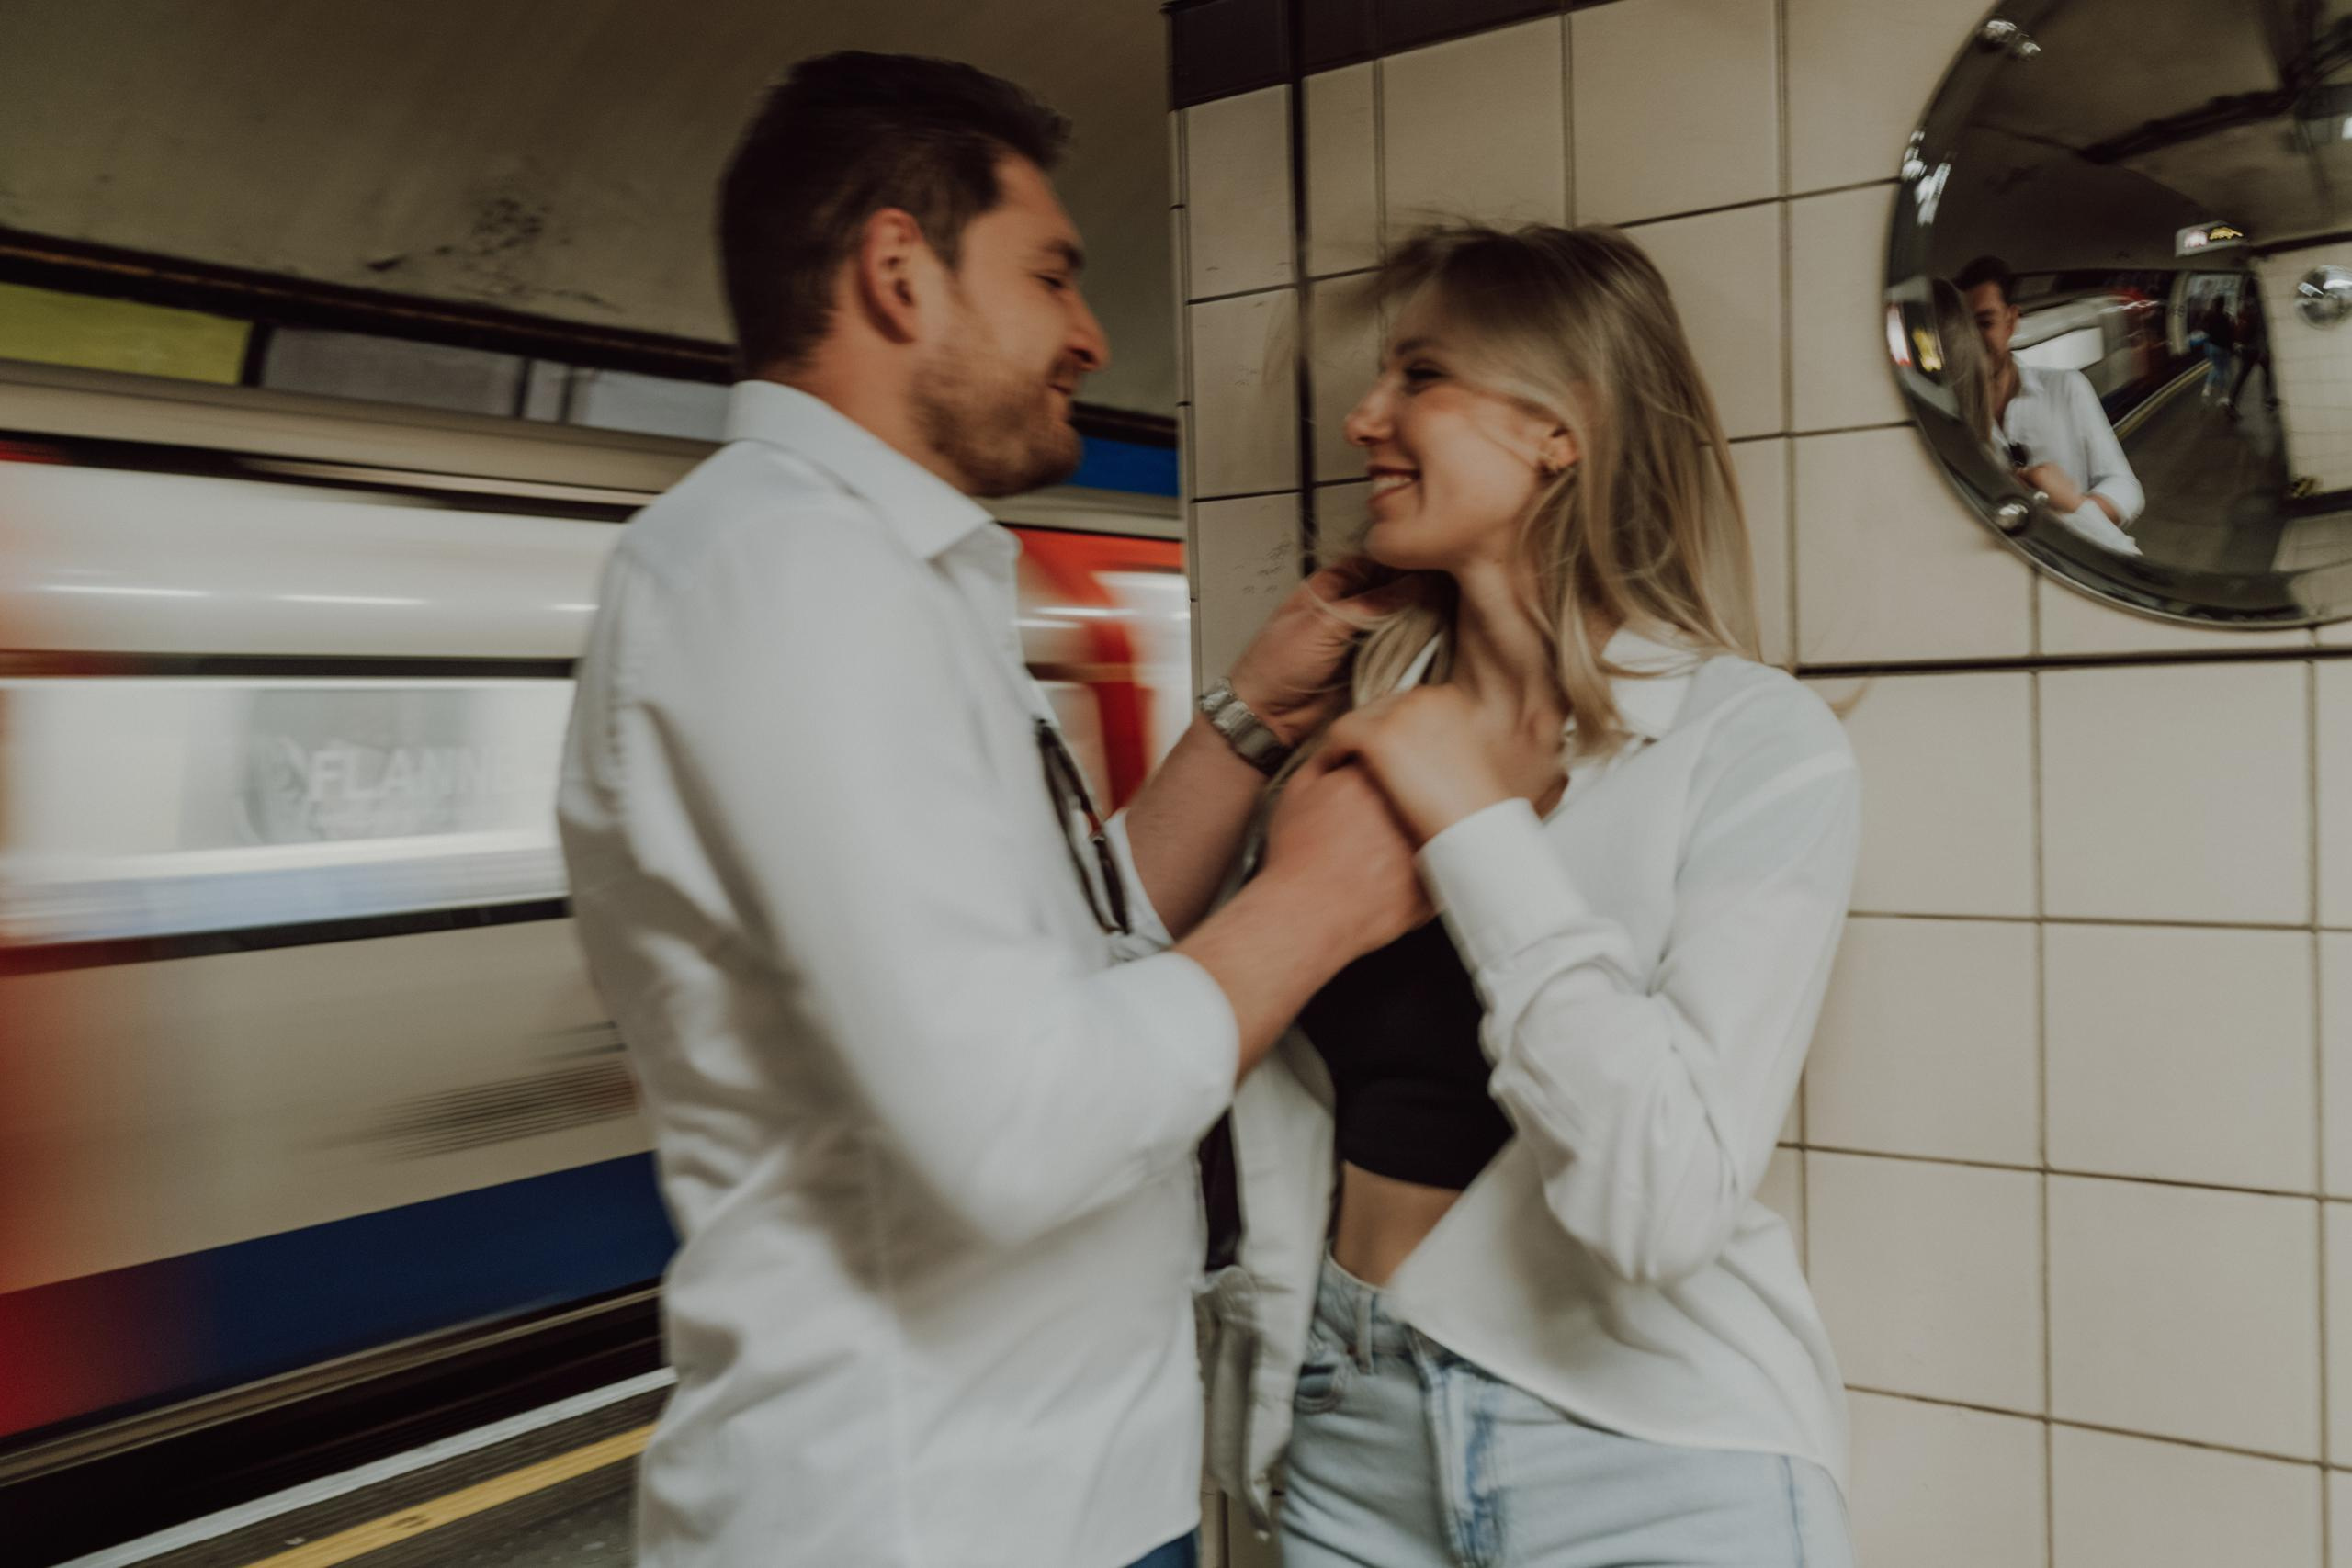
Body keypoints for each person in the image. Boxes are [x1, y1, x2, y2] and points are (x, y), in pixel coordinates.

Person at [557, 52, 1426, 1568]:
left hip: (1038, 1491)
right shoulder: (794, 581)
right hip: (928, 1514)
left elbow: (1064, 960)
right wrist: (1321, 900)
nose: (1091, 334)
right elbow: (1018, 1120)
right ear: (898, 271)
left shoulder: (876, 569)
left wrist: (1245, 724)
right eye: (1053, 276)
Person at [1196, 224, 1862, 1567]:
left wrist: (1477, 825)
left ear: (1560, 428)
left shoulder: (1752, 743)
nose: (1364, 419)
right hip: (1346, 1432)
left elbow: (1662, 1201)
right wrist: (1253, 720)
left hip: (1646, 1453)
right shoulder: (1353, 738)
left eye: (1419, 375)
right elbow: (1168, 1026)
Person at [1932, 275, 2139, 557]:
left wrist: (2072, 508)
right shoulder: (1949, 420)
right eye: (1964, 330)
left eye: (1985, 323)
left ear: (2011, 322)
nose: (1973, 342)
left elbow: (2126, 487)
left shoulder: (2066, 388)